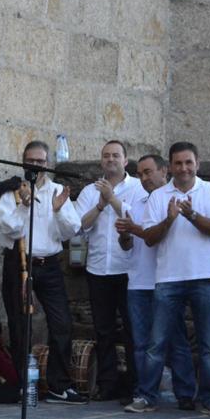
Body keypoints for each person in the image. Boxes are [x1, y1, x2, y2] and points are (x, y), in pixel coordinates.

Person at [124, 142, 210, 417]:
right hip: (168, 278)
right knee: (156, 343)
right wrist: (169, 220)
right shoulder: (159, 196)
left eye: (188, 162)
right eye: (178, 163)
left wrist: (191, 214)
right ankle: (147, 396)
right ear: (170, 166)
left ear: (198, 163)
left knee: (208, 344)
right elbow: (149, 238)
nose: (184, 168)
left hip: (204, 276)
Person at [0, 140, 86, 404]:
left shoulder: (59, 191)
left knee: (62, 323)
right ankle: (24, 385)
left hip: (50, 264)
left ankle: (59, 385)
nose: (35, 165)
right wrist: (24, 206)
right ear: (23, 161)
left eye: (40, 161)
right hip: (19, 263)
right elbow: (9, 229)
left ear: (47, 164)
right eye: (31, 161)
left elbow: (72, 230)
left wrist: (58, 211)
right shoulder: (10, 192)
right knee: (20, 324)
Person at [117, 155, 197, 413]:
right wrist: (126, 236)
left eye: (148, 172)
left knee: (176, 341)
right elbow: (127, 245)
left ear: (165, 171)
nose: (143, 178)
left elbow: (157, 238)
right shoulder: (132, 201)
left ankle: (186, 394)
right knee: (141, 343)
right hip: (138, 280)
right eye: (139, 173)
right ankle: (145, 393)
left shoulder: (170, 199)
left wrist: (139, 230)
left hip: (166, 279)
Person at [74, 140, 141, 401]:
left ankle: (134, 386)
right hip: (98, 268)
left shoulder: (137, 188)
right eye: (106, 156)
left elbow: (136, 219)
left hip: (128, 269)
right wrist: (101, 204)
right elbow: (78, 226)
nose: (110, 159)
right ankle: (107, 384)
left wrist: (112, 199)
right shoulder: (90, 191)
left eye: (116, 155)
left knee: (132, 330)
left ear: (126, 161)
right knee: (103, 330)